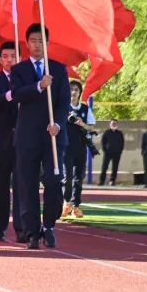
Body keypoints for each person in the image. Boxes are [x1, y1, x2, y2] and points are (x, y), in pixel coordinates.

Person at [11, 23, 71, 250]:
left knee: (54, 181)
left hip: (52, 136)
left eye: (41, 41)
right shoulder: (19, 70)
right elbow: (16, 95)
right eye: (33, 41)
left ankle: (49, 226)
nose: (37, 45)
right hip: (27, 136)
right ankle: (32, 232)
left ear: (47, 43)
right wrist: (38, 85)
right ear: (27, 43)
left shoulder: (58, 69)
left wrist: (58, 124)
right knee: (27, 185)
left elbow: (64, 102)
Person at [0, 42, 23, 242]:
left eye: (13, 56)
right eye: (6, 56)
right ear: (0, 60)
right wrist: (12, 94)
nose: (10, 60)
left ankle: (21, 227)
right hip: (0, 140)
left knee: (21, 185)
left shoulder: (26, 79)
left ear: (20, 58)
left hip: (22, 139)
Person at [62, 81, 90, 219]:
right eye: (71, 89)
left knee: (79, 178)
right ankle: (66, 203)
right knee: (67, 177)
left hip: (80, 147)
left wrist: (82, 123)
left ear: (79, 93)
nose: (73, 92)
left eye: (76, 90)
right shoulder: (62, 107)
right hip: (66, 147)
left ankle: (76, 206)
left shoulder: (85, 108)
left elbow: (92, 127)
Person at [100, 120, 124, 185]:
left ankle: (112, 181)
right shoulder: (106, 132)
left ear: (117, 125)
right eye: (112, 123)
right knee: (104, 167)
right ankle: (102, 181)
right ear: (110, 124)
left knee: (115, 168)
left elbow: (122, 143)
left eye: (115, 123)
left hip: (117, 153)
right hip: (108, 153)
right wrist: (105, 150)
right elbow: (103, 142)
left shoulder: (120, 133)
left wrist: (120, 151)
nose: (113, 124)